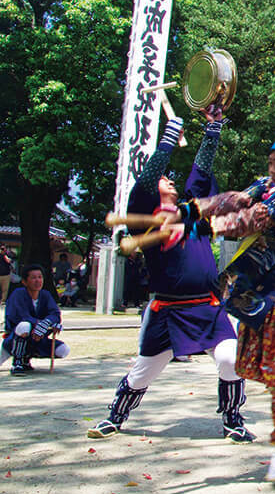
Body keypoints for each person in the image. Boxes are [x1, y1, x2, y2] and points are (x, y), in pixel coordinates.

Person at [172, 129, 275, 482]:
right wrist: (187, 211)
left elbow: (249, 220)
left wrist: (197, 228)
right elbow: (232, 201)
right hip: (265, 291)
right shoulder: (271, 185)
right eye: (271, 163)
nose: (272, 169)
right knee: (255, 364)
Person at [87, 113, 255, 444]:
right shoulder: (145, 223)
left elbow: (202, 170)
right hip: (167, 313)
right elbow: (148, 178)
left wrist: (213, 127)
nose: (170, 181)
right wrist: (170, 134)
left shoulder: (191, 214)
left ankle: (233, 419)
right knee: (142, 373)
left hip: (208, 309)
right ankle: (115, 417)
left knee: (230, 358)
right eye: (165, 180)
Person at [1, 264, 68, 375]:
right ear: (24, 281)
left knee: (63, 350)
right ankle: (17, 362)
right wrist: (38, 324)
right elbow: (20, 316)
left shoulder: (45, 295)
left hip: (39, 339)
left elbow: (55, 314)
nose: (37, 281)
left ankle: (27, 359)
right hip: (15, 338)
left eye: (40, 277)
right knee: (24, 326)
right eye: (33, 277)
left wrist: (46, 323)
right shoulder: (18, 294)